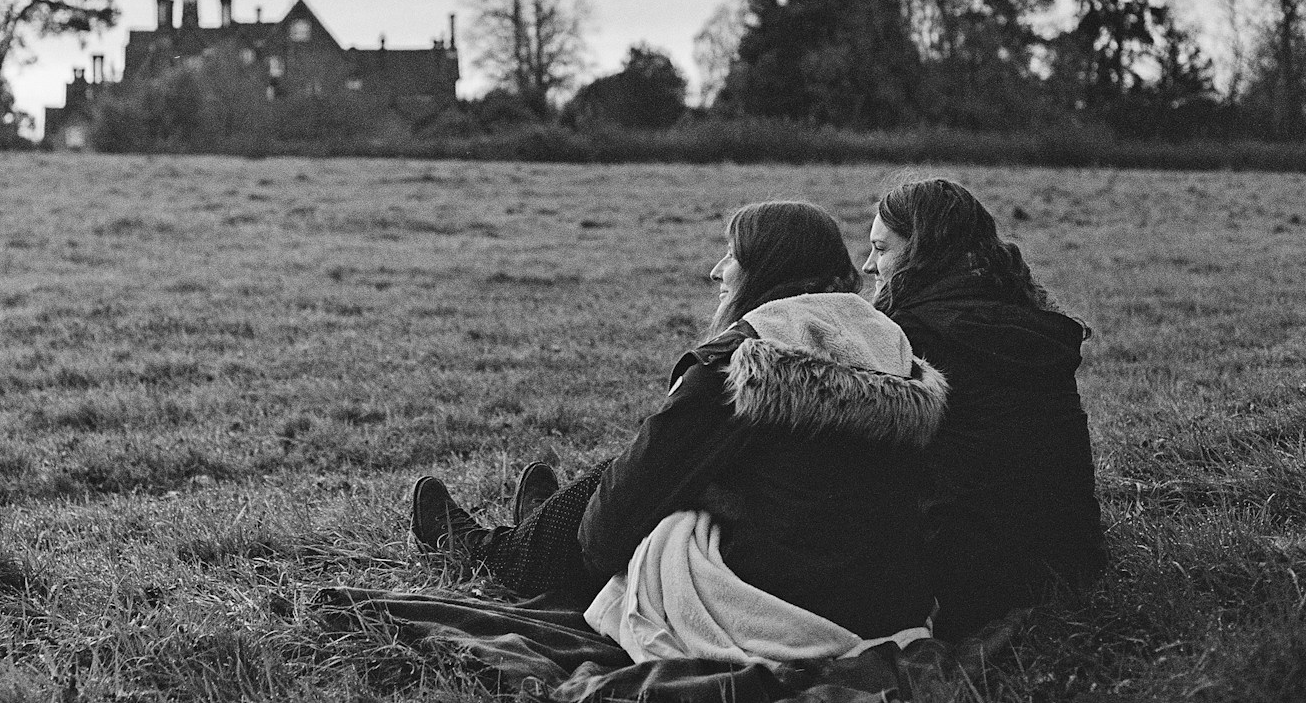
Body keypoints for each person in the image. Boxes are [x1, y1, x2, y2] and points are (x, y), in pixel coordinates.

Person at [411, 200, 950, 652]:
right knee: (662, 476)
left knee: (643, 493)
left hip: (781, 606)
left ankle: (496, 553)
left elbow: (610, 529)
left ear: (765, 270)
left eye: (733, 255)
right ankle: (543, 528)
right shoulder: (889, 347)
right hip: (889, 605)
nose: (718, 270)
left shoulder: (741, 363)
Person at [863, 177, 1107, 642]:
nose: (869, 265)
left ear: (922, 254)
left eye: (881, 248)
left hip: (966, 582)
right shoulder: (1033, 326)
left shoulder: (912, 336)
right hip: (1071, 561)